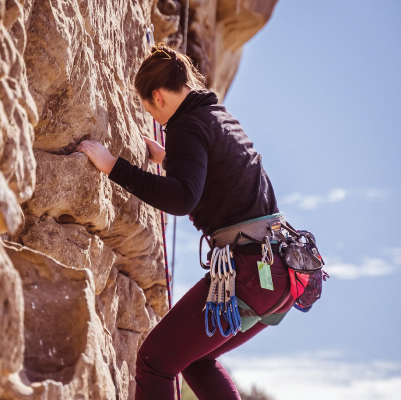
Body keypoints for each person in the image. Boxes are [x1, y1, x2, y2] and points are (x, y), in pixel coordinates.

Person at [75, 43, 294, 400]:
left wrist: (113, 166)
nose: (155, 119)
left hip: (254, 271)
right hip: (280, 276)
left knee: (154, 361)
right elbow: (219, 177)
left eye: (149, 109)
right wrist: (170, 159)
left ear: (158, 96)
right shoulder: (217, 116)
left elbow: (180, 198)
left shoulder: (186, 126)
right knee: (195, 361)